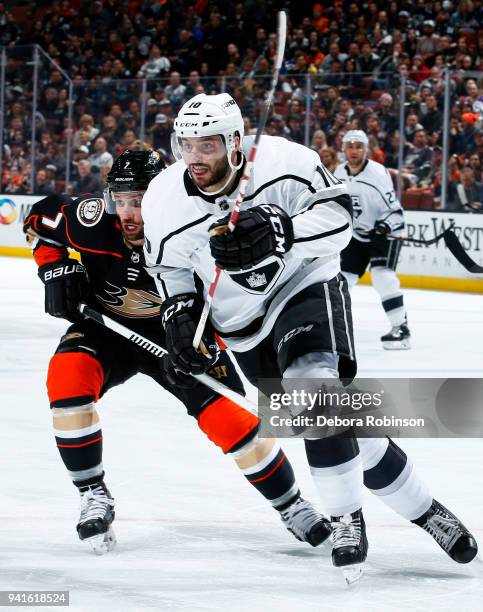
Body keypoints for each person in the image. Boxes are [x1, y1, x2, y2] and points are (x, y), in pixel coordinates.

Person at [142, 94, 477, 571]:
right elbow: (171, 271)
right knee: (350, 430)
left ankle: (344, 518)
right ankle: (429, 512)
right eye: (186, 145)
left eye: (208, 144)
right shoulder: (163, 199)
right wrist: (179, 320)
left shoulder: (287, 160)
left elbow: (341, 220)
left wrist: (284, 229)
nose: (194, 157)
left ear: (236, 142)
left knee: (313, 388)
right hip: (241, 327)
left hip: (305, 284)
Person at [23, 149, 332, 555]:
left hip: (179, 333)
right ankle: (92, 492)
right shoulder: (93, 220)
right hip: (105, 329)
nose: (130, 212)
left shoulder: (193, 228)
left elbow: (233, 302)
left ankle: (292, 506)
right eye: (123, 199)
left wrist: (204, 342)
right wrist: (56, 268)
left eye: (142, 200)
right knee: (66, 382)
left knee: (234, 423)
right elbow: (38, 218)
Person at [335, 130, 410, 349]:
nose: (354, 150)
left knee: (382, 276)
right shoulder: (339, 172)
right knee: (341, 280)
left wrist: (384, 225)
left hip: (387, 231)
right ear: (343, 149)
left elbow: (394, 209)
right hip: (357, 233)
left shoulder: (378, 173)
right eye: (350, 146)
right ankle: (334, 329)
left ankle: (402, 330)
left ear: (366, 149)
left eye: (359, 146)